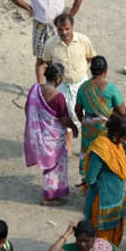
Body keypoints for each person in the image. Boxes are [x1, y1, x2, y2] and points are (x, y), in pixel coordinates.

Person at [8, 0, 83, 83]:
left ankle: (56, 85)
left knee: (58, 57)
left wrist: (70, 17)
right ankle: (40, 86)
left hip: (57, 28)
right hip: (40, 26)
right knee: (40, 59)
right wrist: (27, 7)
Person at [24, 63, 78, 205]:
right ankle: (49, 196)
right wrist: (74, 127)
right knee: (55, 166)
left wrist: (37, 125)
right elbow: (64, 118)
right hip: (54, 137)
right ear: (58, 78)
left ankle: (53, 193)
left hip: (40, 134)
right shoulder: (57, 97)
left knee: (50, 166)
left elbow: (27, 108)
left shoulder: (35, 89)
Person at [42, 13, 96, 154]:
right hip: (62, 87)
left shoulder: (83, 40)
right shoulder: (50, 44)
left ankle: (87, 149)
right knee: (64, 117)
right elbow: (48, 62)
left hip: (81, 84)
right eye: (60, 29)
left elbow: (90, 57)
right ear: (56, 29)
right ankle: (68, 148)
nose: (64, 32)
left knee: (86, 116)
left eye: (67, 28)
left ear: (72, 26)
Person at [82, 114, 126, 246]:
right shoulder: (100, 149)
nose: (125, 141)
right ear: (116, 135)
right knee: (101, 234)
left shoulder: (118, 145)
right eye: (124, 138)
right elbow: (90, 177)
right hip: (102, 199)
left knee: (112, 232)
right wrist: (98, 185)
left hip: (116, 198)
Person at [75, 56, 126, 175]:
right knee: (105, 153)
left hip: (88, 125)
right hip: (106, 127)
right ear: (105, 71)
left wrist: (85, 121)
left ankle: (89, 180)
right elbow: (122, 111)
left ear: (91, 70)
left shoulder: (83, 87)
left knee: (89, 152)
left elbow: (78, 109)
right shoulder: (111, 89)